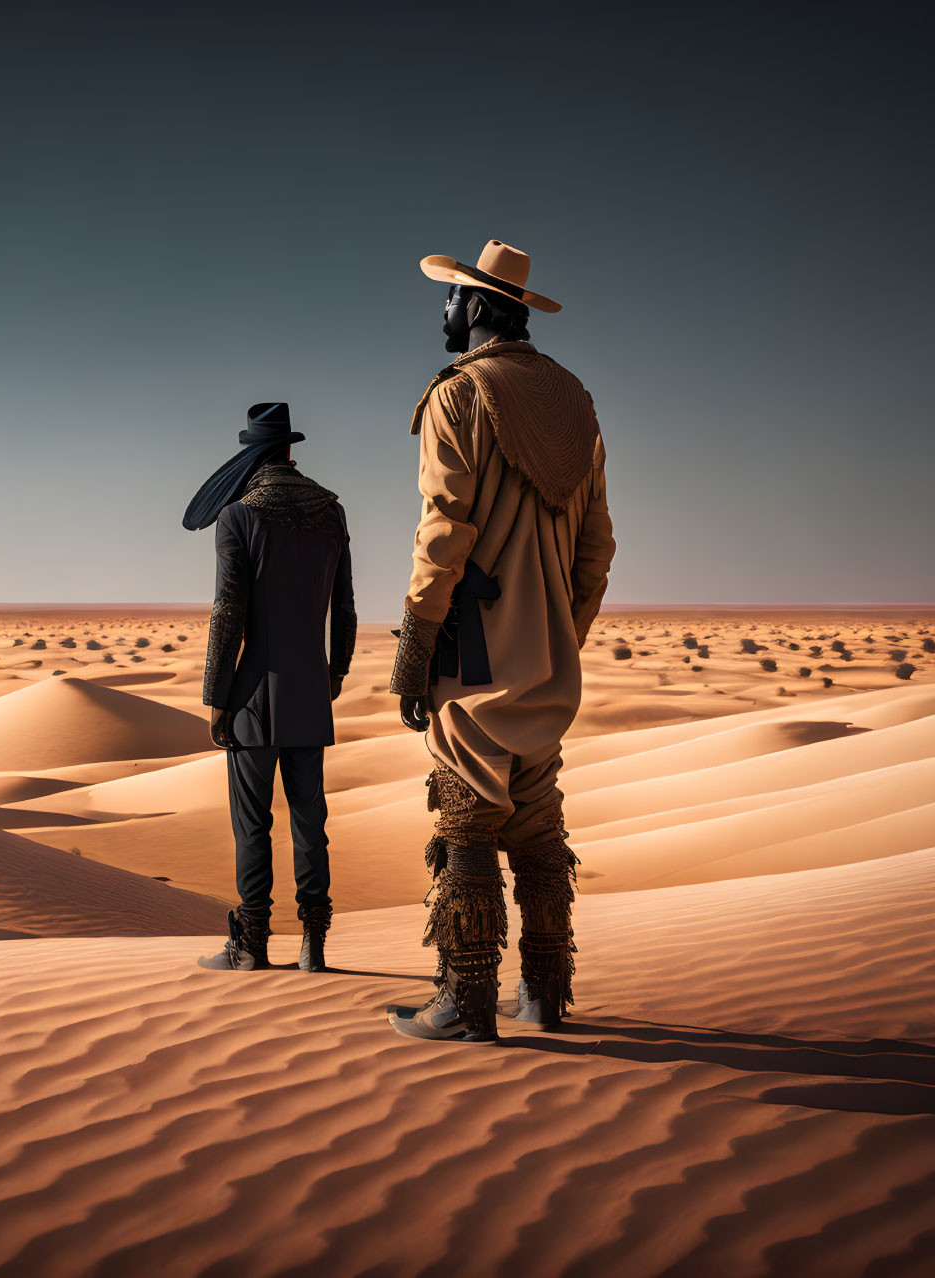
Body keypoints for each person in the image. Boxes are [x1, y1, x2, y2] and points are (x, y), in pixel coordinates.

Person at [387, 240, 615, 1042]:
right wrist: (562, 633)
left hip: (472, 654)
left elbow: (442, 530)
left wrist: (416, 644)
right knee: (537, 819)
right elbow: (597, 548)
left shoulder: (461, 395)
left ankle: (467, 1001)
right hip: (548, 662)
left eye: (451, 298)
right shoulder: (574, 399)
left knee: (467, 817)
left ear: (480, 308)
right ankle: (546, 993)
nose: (444, 311)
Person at [184, 402, 356, 973]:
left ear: (254, 453)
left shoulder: (238, 516)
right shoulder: (331, 512)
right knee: (311, 822)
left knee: (252, 824)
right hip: (310, 690)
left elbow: (226, 615)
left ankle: (250, 944)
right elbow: (345, 609)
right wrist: (335, 673)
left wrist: (215, 696)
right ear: (290, 450)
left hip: (251, 699)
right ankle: (314, 945)